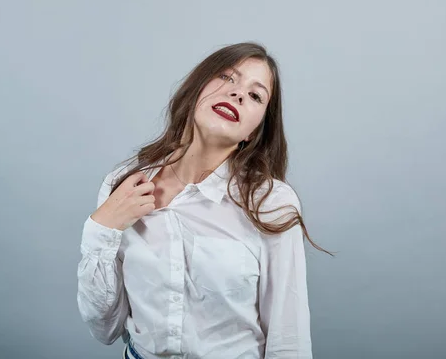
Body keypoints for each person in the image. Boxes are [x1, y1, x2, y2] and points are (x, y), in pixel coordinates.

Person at [77, 42, 332, 359]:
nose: (238, 94)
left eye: (255, 95)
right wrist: (102, 228)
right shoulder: (125, 183)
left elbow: (288, 339)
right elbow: (105, 329)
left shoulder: (271, 202)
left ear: (252, 132)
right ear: (196, 89)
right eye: (228, 77)